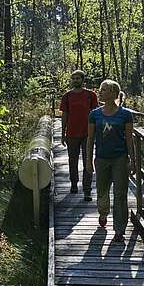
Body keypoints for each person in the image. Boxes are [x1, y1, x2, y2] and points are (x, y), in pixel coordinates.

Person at [85, 79, 135, 243]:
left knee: (120, 195)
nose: (101, 92)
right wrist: (88, 160)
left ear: (114, 93)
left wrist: (132, 160)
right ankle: (103, 213)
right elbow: (90, 138)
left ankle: (119, 230)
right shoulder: (95, 114)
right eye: (101, 89)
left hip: (120, 159)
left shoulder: (125, 114)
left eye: (105, 90)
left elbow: (129, 139)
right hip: (101, 159)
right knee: (102, 191)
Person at [60, 70, 98, 195]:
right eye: (74, 78)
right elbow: (64, 115)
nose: (75, 80)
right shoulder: (67, 96)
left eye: (78, 78)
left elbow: (95, 113)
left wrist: (96, 131)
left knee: (88, 160)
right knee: (73, 160)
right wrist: (63, 133)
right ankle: (74, 184)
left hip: (88, 133)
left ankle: (87, 189)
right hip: (71, 133)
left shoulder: (90, 95)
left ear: (82, 80)